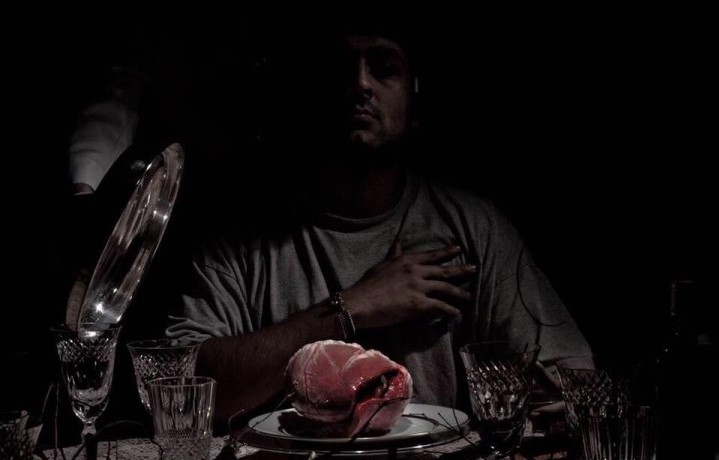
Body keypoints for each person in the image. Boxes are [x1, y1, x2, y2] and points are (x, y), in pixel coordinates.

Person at [166, 25, 592, 424]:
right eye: (339, 71)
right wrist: (349, 309)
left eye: (385, 70)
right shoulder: (242, 236)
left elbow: (570, 376)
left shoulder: (474, 226)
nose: (361, 85)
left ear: (415, 106)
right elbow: (180, 391)